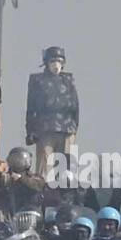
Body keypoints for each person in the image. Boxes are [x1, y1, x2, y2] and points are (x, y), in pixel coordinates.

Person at [25, 46, 79, 176]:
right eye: (53, 61)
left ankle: (65, 192)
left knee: (66, 169)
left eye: (59, 61)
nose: (56, 65)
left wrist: (74, 128)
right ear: (46, 63)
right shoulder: (37, 81)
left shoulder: (68, 80)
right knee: (44, 168)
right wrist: (30, 131)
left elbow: (75, 106)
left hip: (66, 129)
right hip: (45, 129)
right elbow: (31, 108)